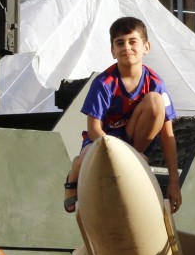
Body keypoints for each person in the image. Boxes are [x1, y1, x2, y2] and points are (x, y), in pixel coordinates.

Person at [64, 16, 181, 214]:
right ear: (112, 51)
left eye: (132, 41)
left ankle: (132, 160)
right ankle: (74, 171)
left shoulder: (155, 83)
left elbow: (168, 135)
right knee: (86, 158)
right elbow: (94, 129)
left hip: (133, 141)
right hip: (103, 141)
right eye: (120, 43)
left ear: (146, 47)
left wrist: (174, 182)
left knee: (155, 101)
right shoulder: (104, 83)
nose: (126, 47)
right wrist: (119, 153)